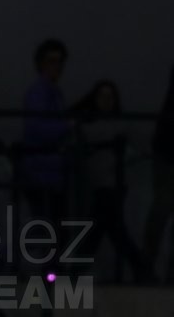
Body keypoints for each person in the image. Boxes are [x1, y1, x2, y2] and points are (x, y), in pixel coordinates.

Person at [71, 80, 149, 281]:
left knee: (99, 230)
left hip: (113, 185)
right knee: (111, 231)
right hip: (96, 185)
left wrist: (123, 161)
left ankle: (75, 272)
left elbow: (144, 148)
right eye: (102, 96)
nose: (106, 101)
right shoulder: (86, 124)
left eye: (110, 97)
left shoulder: (121, 124)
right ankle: (141, 269)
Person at [21, 39, 69, 232]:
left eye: (60, 61)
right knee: (50, 227)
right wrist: (67, 126)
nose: (57, 66)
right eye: (52, 61)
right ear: (40, 63)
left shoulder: (53, 92)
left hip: (50, 170)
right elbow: (36, 128)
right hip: (42, 170)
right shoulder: (40, 92)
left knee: (53, 227)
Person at [143, 66, 174, 283]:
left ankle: (151, 267)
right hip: (167, 153)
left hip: (166, 151)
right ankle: (149, 266)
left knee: (161, 211)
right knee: (162, 210)